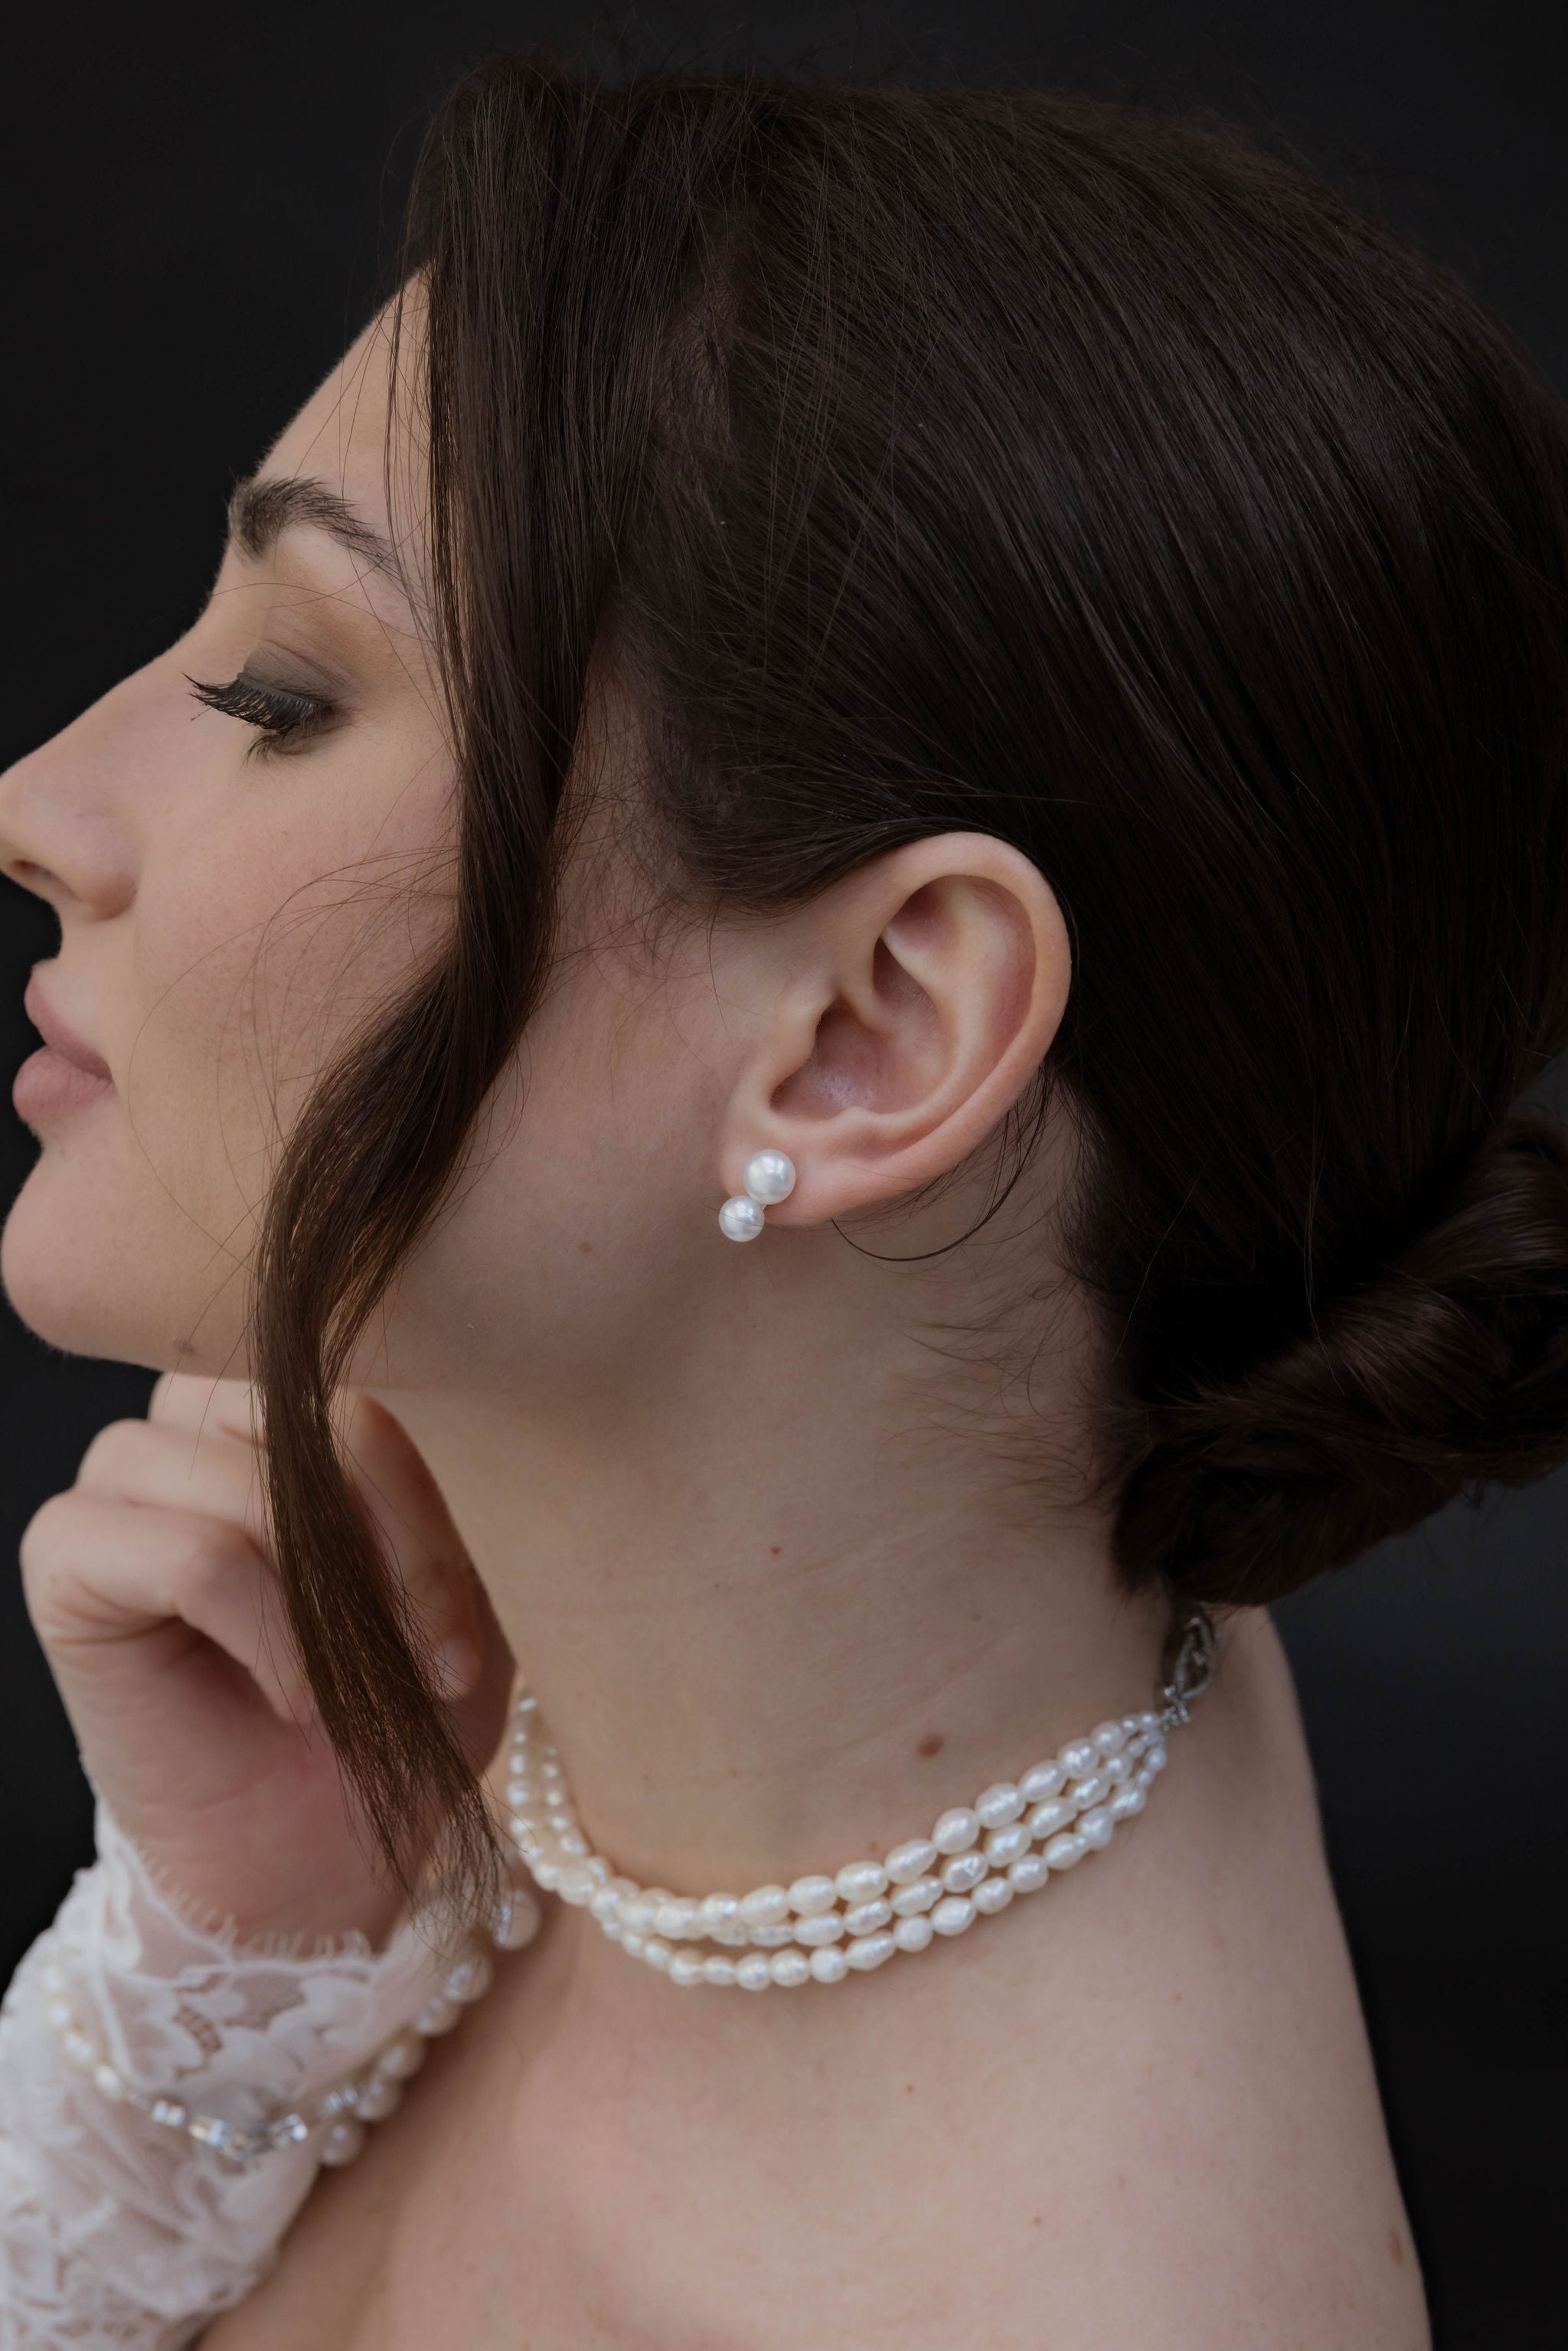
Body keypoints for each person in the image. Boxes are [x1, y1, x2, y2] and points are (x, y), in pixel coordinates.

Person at [2, 50, 1566, 2348]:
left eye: (281, 691)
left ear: (874, 1040)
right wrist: (227, 1993)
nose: (40, 799)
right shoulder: (945, 1575)